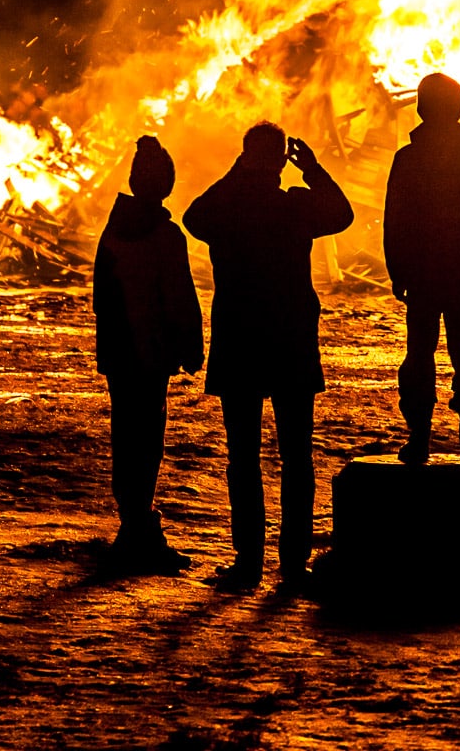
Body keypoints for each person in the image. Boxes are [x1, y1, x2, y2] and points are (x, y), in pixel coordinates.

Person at [183, 122, 353, 591]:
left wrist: (240, 171)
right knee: (297, 456)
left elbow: (193, 216)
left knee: (244, 457)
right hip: (290, 340)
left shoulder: (229, 207)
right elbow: (342, 214)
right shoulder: (294, 207)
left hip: (240, 342)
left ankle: (248, 562)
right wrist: (313, 170)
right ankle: (294, 563)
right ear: (282, 161)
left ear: (243, 158)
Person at [93, 135, 204, 575]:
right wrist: (190, 347)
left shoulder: (113, 229)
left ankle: (133, 524)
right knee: (147, 443)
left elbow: (103, 296)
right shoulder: (164, 234)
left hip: (121, 353)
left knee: (127, 439)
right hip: (150, 354)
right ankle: (140, 532)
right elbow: (178, 296)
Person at [383, 72, 460, 465]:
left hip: (420, 272)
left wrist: (397, 271)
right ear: (459, 109)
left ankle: (418, 439)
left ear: (420, 108)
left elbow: (394, 219)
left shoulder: (408, 158)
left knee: (419, 353)